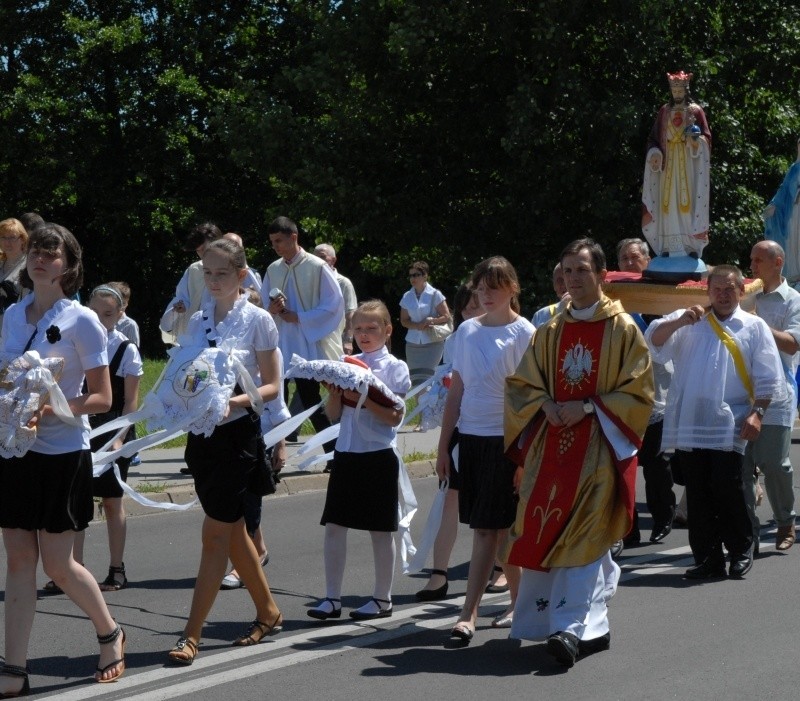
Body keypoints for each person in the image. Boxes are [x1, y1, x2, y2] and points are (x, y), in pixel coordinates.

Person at [504, 238, 654, 669]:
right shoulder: (550, 328)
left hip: (600, 448)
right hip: (552, 447)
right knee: (545, 529)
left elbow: (640, 392)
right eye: (567, 271)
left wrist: (587, 406)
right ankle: (593, 625)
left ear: (602, 275)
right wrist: (545, 404)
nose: (573, 279)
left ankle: (569, 628)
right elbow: (523, 385)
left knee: (586, 534)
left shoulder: (623, 329)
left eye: (582, 270)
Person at [0, 223, 126, 693]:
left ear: (69, 265)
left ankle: (109, 632)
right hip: (15, 451)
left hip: (61, 451)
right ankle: (14, 667)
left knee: (57, 566)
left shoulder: (83, 320)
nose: (40, 259)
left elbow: (101, 397)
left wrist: (50, 407)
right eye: (35, 251)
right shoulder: (12, 315)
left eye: (51, 254)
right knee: (16, 561)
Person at [167, 238, 282, 665]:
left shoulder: (258, 320)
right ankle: (268, 612)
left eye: (221, 273)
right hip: (203, 438)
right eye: (207, 273)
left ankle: (191, 635)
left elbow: (272, 386)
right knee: (233, 532)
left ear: (241, 276)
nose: (213, 280)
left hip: (238, 437)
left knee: (215, 535)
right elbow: (188, 375)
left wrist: (232, 402)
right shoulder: (197, 320)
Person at [646, 265, 785, 580]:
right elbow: (654, 342)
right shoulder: (691, 319)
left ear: (740, 291)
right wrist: (681, 320)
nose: (723, 295)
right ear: (707, 291)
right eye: (717, 289)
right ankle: (707, 557)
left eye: (729, 289)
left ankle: (739, 550)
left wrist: (758, 413)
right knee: (697, 491)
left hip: (730, 420)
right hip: (691, 421)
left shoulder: (753, 326)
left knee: (728, 487)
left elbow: (768, 376)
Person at [436, 256, 534, 644]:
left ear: (512, 288)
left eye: (493, 287)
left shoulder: (525, 332)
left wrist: (524, 456)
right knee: (497, 529)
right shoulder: (465, 332)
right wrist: (444, 447)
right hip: (471, 440)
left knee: (487, 531)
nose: (485, 294)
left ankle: (468, 614)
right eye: (480, 288)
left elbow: (530, 400)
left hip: (505, 440)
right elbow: (456, 392)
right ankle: (517, 601)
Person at [307, 300, 410, 621]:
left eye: (371, 328)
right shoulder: (346, 363)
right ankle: (332, 598)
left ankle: (382, 599)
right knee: (335, 527)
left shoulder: (395, 367)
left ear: (387, 330)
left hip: (378, 456)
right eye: (358, 329)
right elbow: (334, 415)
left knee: (380, 530)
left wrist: (361, 399)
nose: (364, 335)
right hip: (347, 453)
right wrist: (337, 394)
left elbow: (394, 417)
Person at [68, 283, 143, 593]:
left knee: (112, 501)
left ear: (120, 314)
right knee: (77, 503)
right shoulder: (77, 343)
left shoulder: (126, 349)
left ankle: (116, 568)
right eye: (94, 313)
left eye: (108, 314)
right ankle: (75, 569)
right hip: (81, 429)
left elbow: (129, 404)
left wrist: (119, 439)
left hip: (114, 429)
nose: (100, 320)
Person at [415, 283, 482, 601]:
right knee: (448, 502)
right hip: (461, 428)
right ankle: (439, 575)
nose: (472, 313)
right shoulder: (457, 339)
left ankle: (500, 570)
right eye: (467, 308)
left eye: (478, 306)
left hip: (494, 430)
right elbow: (452, 385)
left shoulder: (512, 333)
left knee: (491, 506)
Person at [260, 216, 344, 463]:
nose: (275, 246)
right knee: (276, 400)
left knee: (310, 399)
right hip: (279, 344)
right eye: (272, 242)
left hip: (306, 343)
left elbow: (333, 305)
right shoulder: (273, 269)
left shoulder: (317, 266)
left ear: (293, 237)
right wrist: (272, 310)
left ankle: (333, 452)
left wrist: (301, 317)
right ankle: (270, 454)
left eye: (279, 241)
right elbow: (263, 305)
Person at [616, 238, 678, 545]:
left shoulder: (658, 299)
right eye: (624, 258)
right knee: (625, 464)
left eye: (634, 257)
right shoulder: (613, 300)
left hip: (656, 395)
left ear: (647, 260)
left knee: (655, 465)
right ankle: (628, 529)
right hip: (621, 399)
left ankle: (663, 515)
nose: (629, 262)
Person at [746, 241, 800, 551]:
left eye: (758, 260)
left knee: (775, 463)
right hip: (740, 390)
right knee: (741, 466)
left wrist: (757, 324)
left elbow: (793, 344)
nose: (751, 266)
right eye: (751, 260)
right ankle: (748, 531)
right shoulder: (745, 294)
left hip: (777, 392)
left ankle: (785, 521)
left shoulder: (793, 300)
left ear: (777, 262)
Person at [642, 71, 711, 258]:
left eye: (680, 89)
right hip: (668, 164)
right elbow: (654, 139)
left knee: (687, 202)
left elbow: (706, 137)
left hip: (688, 163)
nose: (677, 93)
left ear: (686, 90)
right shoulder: (664, 111)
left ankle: (690, 246)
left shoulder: (695, 111)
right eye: (674, 89)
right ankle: (667, 245)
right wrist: (655, 153)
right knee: (668, 203)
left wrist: (697, 142)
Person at [159, 222, 224, 345]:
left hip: (222, 332)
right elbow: (182, 298)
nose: (202, 254)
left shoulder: (231, 269)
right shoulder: (194, 270)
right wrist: (180, 307)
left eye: (204, 249)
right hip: (195, 334)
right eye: (198, 251)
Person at [400, 261, 452, 386]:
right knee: (416, 380)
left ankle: (430, 404)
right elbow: (404, 321)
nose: (413, 278)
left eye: (416, 275)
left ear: (425, 276)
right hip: (413, 344)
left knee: (428, 379)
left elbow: (446, 316)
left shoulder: (435, 294)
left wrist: (431, 320)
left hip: (432, 342)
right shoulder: (407, 296)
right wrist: (417, 326)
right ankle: (420, 405)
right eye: (411, 275)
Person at [764, 137, 800, 287]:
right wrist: (774, 205)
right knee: (793, 242)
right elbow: (783, 190)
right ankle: (794, 276)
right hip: (794, 212)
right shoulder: (794, 169)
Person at [314, 243, 358, 354]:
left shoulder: (343, 283)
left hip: (336, 341)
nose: (318, 261)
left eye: (322, 257)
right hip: (314, 339)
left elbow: (351, 315)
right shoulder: (310, 283)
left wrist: (348, 341)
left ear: (333, 260)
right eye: (315, 258)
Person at [0, 218, 29, 324]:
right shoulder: (1, 263)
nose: (7, 242)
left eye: (12, 237)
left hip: (16, 327)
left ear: (22, 239)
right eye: (3, 237)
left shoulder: (29, 265)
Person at [531, 263, 569, 328]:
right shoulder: (540, 316)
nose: (564, 285)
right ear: (554, 285)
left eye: (568, 279)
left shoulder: (590, 312)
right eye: (559, 280)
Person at [111, 281, 141, 347]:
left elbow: (134, 351)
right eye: (117, 302)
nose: (120, 306)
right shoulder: (102, 321)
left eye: (123, 303)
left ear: (127, 304)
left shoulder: (130, 325)